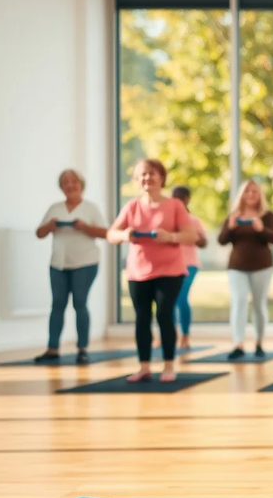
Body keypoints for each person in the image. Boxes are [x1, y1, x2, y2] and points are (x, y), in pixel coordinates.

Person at [107, 159, 198, 383]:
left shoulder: (175, 205)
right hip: (138, 272)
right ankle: (144, 367)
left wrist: (171, 237)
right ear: (137, 180)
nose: (148, 178)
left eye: (152, 174)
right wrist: (124, 235)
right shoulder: (131, 207)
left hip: (170, 271)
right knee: (142, 319)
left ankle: (168, 366)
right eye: (143, 175)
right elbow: (111, 234)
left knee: (164, 315)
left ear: (162, 178)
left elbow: (191, 235)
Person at [34, 169, 107, 364]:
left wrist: (85, 227)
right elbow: (39, 233)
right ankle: (52, 348)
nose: (70, 185)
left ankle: (82, 348)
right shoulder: (55, 208)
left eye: (73, 181)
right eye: (65, 182)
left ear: (81, 184)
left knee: (80, 303)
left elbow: (105, 233)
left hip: (85, 263)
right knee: (57, 304)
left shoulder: (90, 208)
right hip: (58, 263)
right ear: (61, 187)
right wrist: (50, 226)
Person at [219, 177, 273, 359]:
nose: (251, 194)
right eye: (247, 191)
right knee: (238, 302)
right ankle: (238, 343)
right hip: (237, 266)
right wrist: (230, 228)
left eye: (254, 191)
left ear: (259, 194)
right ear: (242, 194)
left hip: (262, 266)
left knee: (259, 305)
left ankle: (259, 342)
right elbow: (221, 240)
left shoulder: (267, 216)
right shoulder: (234, 215)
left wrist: (261, 229)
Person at [170, 185, 208, 349]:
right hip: (170, 264)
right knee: (167, 302)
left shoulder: (193, 220)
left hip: (189, 265)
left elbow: (203, 242)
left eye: (181, 198)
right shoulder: (168, 219)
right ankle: (169, 334)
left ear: (187, 200)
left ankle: (185, 335)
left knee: (181, 298)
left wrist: (191, 235)